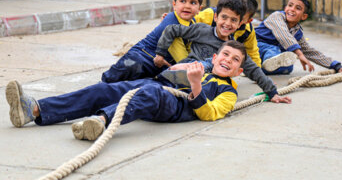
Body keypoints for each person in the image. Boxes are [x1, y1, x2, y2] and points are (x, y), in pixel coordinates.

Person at [6, 41, 246, 141]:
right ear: (214, 57)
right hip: (158, 86)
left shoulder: (228, 91)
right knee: (104, 90)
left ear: (238, 71)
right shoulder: (201, 68)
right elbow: (165, 76)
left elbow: (210, 113)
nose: (228, 60)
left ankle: (100, 121)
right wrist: (180, 70)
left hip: (176, 107)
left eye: (235, 60)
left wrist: (194, 86)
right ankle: (35, 109)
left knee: (150, 94)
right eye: (225, 54)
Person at [154, 0, 291, 104]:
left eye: (233, 20)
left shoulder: (235, 50)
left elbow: (254, 70)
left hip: (209, 83)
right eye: (224, 17)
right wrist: (160, 53)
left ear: (239, 24)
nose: (227, 23)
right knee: (155, 88)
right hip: (188, 70)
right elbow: (172, 29)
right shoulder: (202, 30)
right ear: (216, 17)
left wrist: (272, 92)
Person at [101, 0, 203, 83]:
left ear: (199, 9)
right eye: (183, 1)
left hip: (157, 64)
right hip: (141, 57)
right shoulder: (171, 26)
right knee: (115, 77)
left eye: (193, 3)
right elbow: (183, 60)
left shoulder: (192, 23)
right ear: (174, 5)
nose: (187, 6)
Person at [255, 0, 342, 75]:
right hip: (255, 47)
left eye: (298, 8)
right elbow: (283, 34)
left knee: (288, 67)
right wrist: (299, 54)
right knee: (273, 50)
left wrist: (336, 66)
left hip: (268, 58)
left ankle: (256, 70)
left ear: (304, 16)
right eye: (290, 5)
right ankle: (260, 65)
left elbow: (309, 51)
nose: (292, 9)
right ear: (285, 8)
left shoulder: (297, 33)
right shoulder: (276, 17)